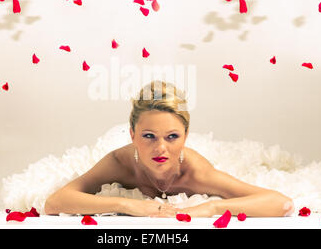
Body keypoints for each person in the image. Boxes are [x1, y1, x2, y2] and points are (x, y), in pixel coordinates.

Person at [44, 80, 294, 217]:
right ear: (132, 135)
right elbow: (54, 203)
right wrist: (126, 205)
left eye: (172, 136)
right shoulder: (118, 163)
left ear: (185, 136)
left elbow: (279, 202)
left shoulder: (197, 173)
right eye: (149, 136)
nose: (160, 148)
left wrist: (212, 207)